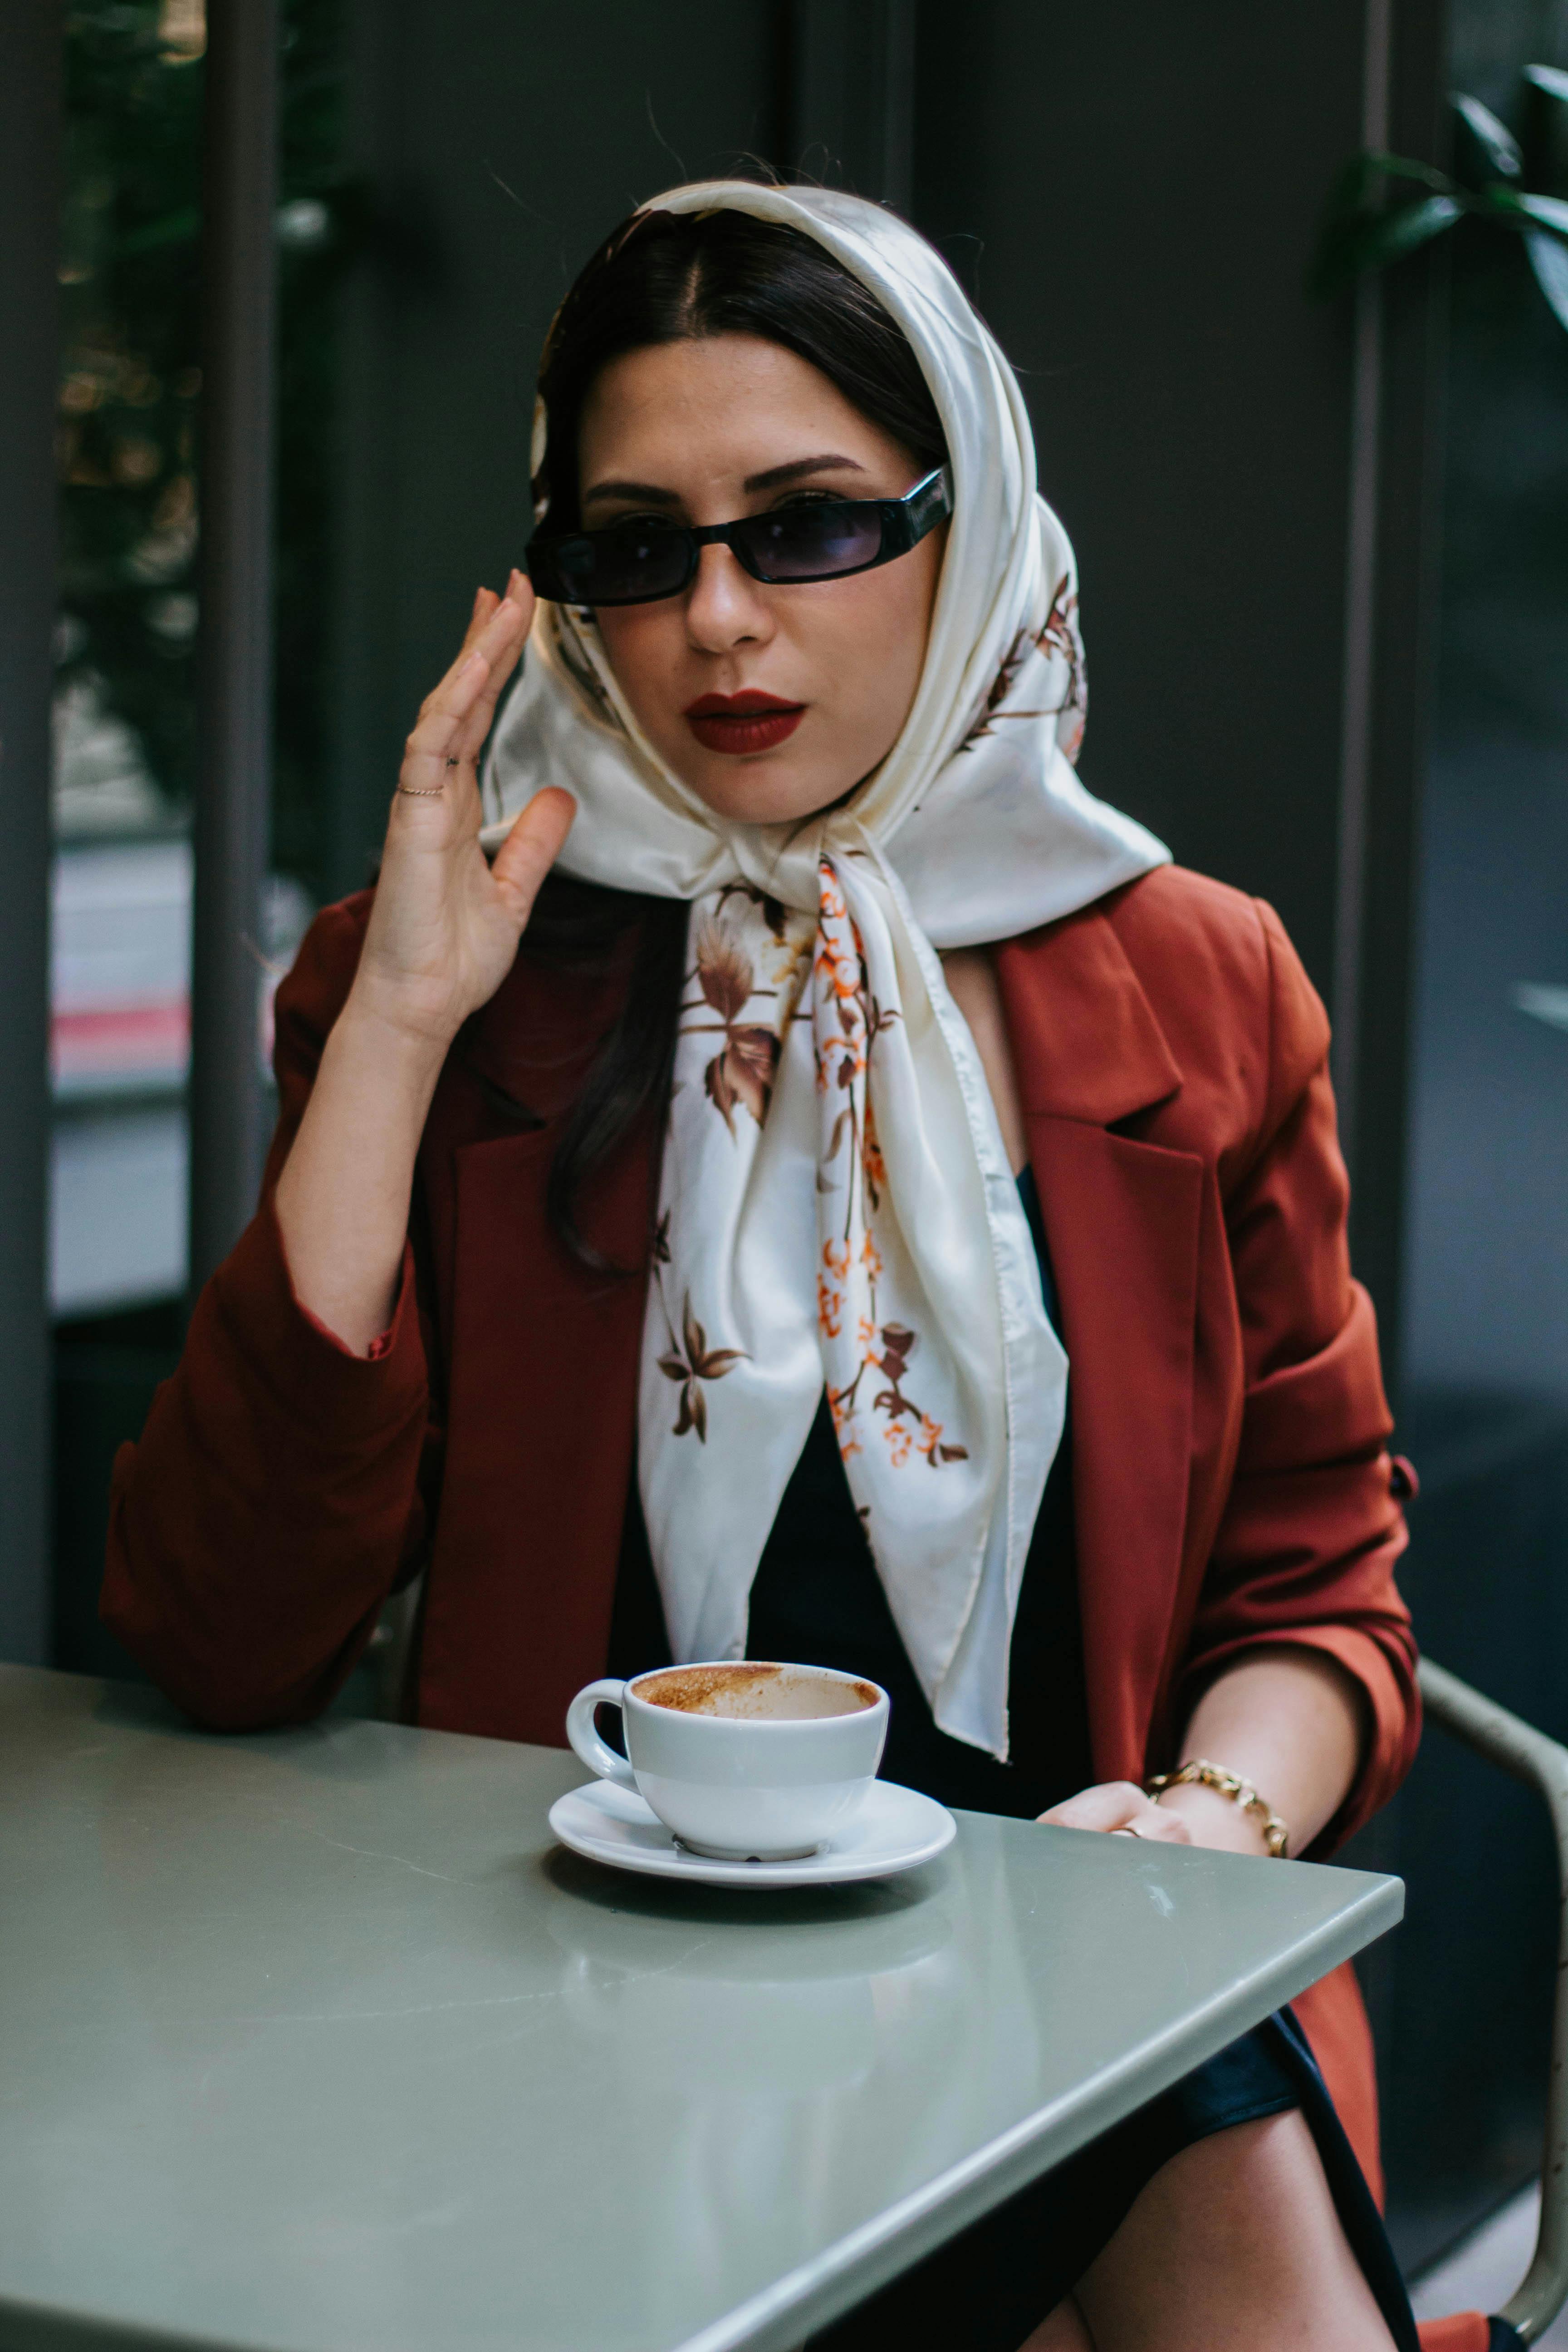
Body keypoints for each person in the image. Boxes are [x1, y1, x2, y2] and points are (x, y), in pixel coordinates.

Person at [103, 181, 1421, 2350]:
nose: (719, 618)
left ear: (967, 519)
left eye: (809, 526)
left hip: (1071, 1967)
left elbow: (1315, 1587)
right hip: (552, 1981)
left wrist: (1198, 1830)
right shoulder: (458, 979)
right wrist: (402, 1024)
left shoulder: (1200, 988)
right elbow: (222, 1635)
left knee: (1180, 2065)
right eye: (636, 545)